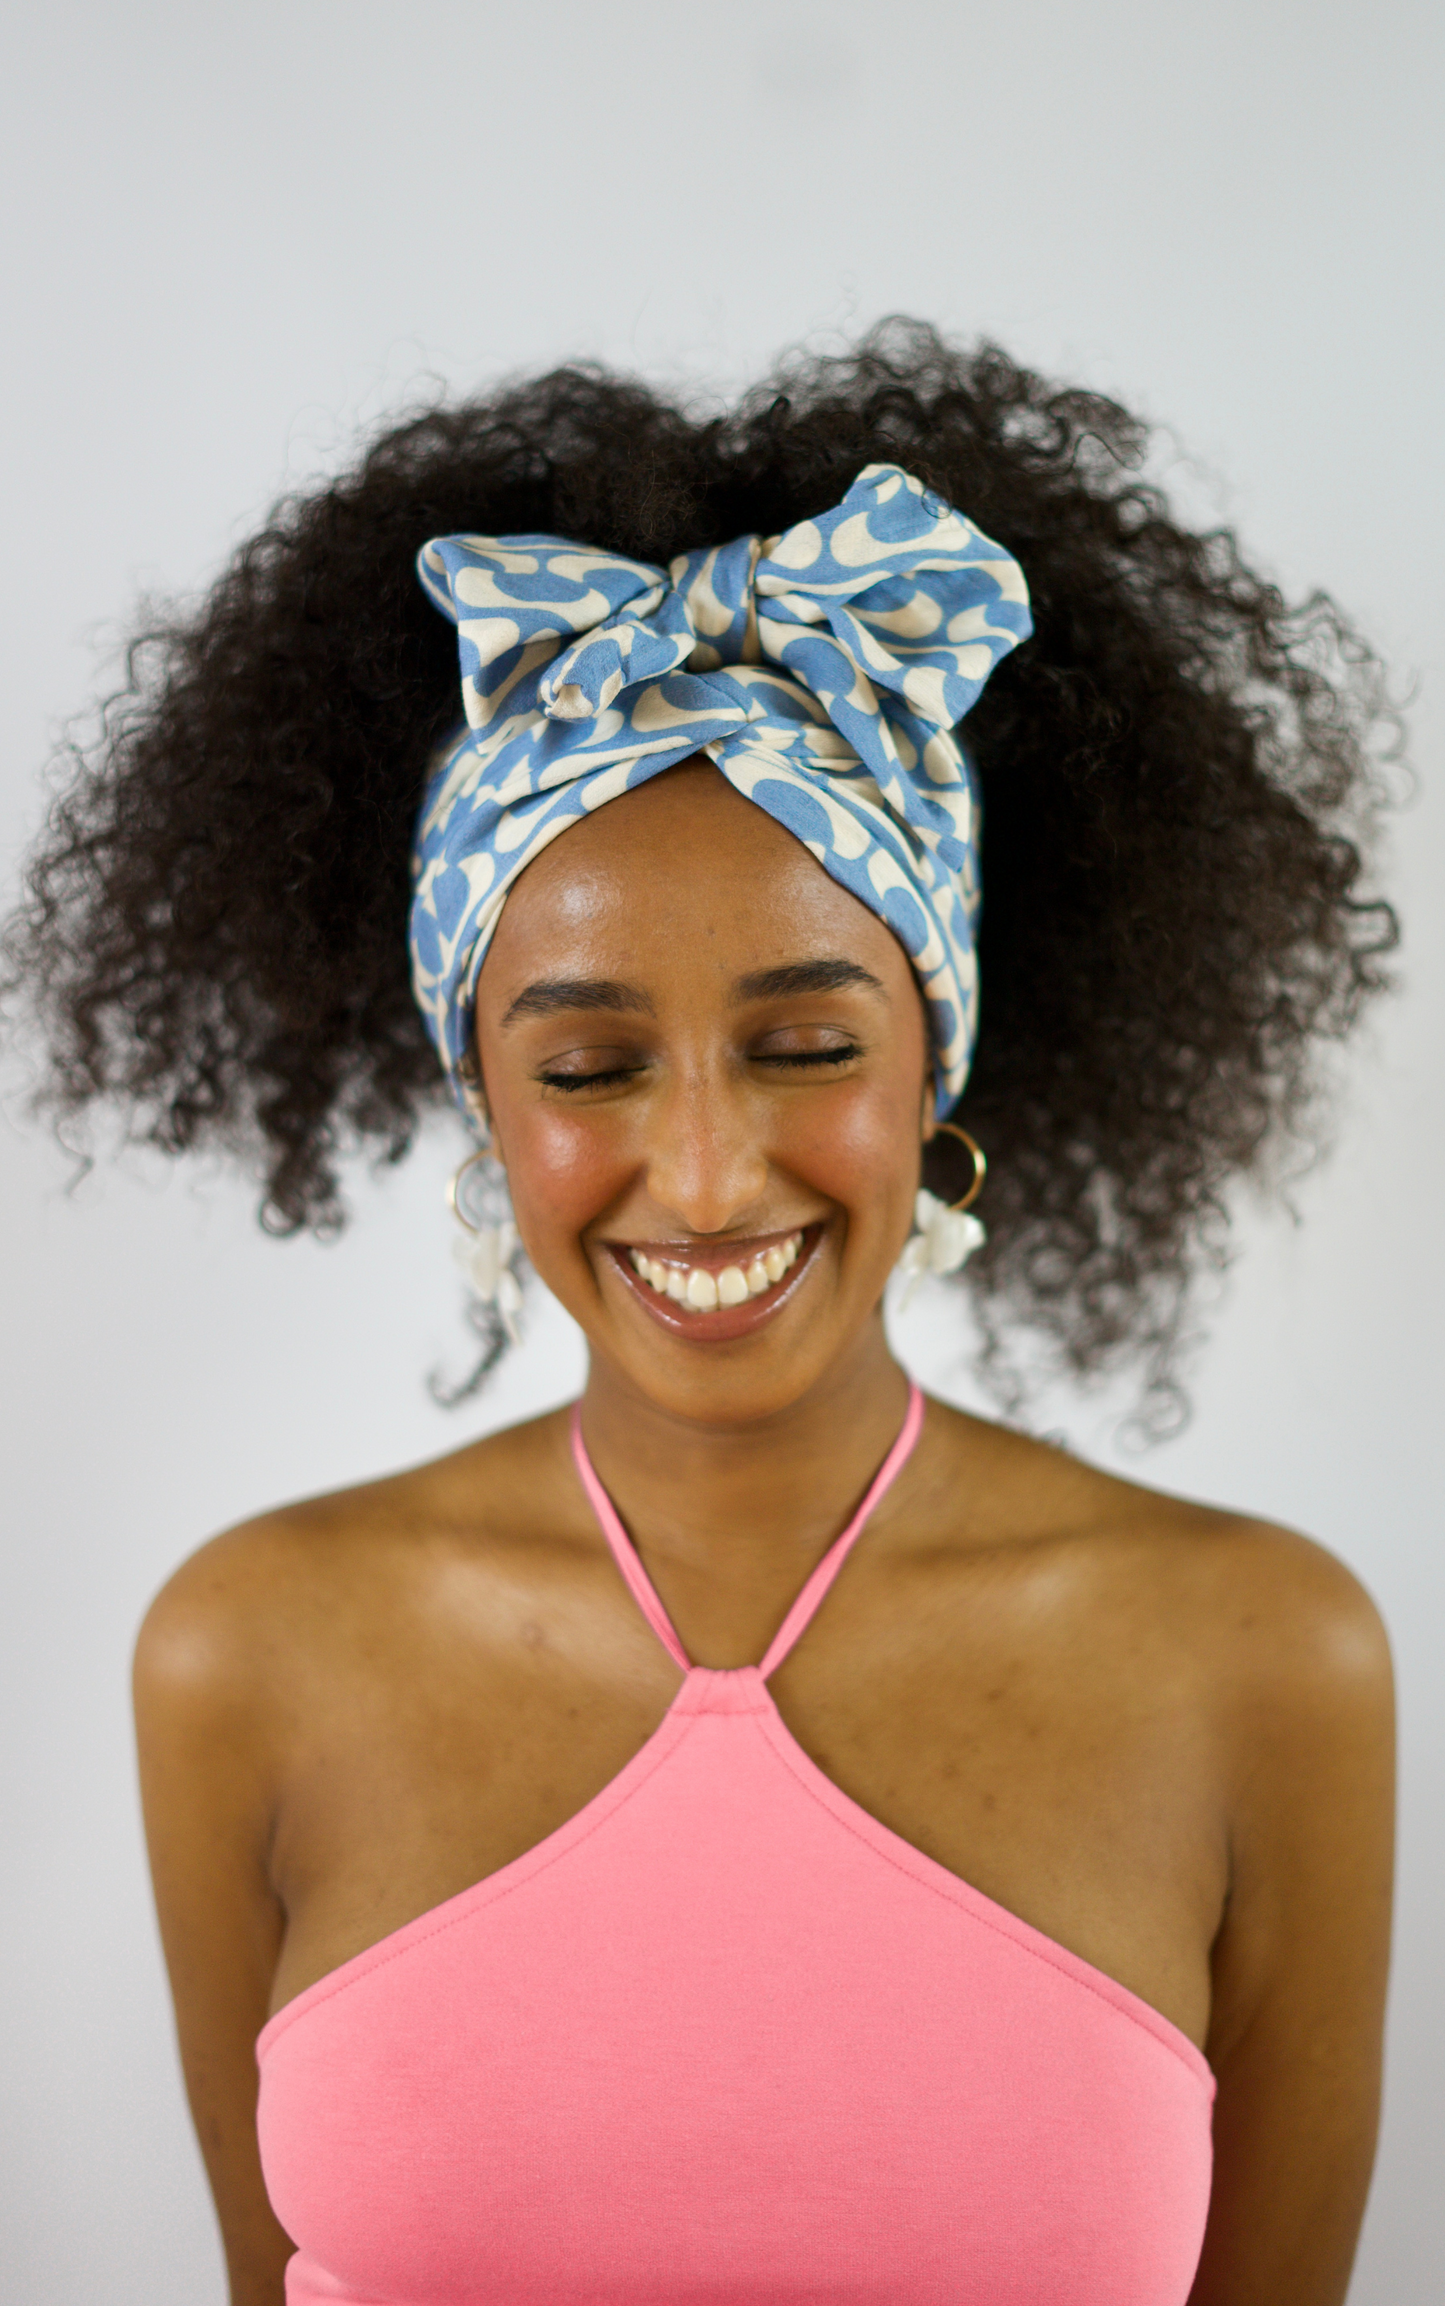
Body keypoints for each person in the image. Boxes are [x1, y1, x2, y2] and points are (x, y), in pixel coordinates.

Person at [4, 326, 1397, 2305]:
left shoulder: (1268, 1666)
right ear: (482, 1101)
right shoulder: (243, 1658)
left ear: (934, 1061)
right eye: (587, 1068)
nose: (710, 1174)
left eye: (805, 1043)